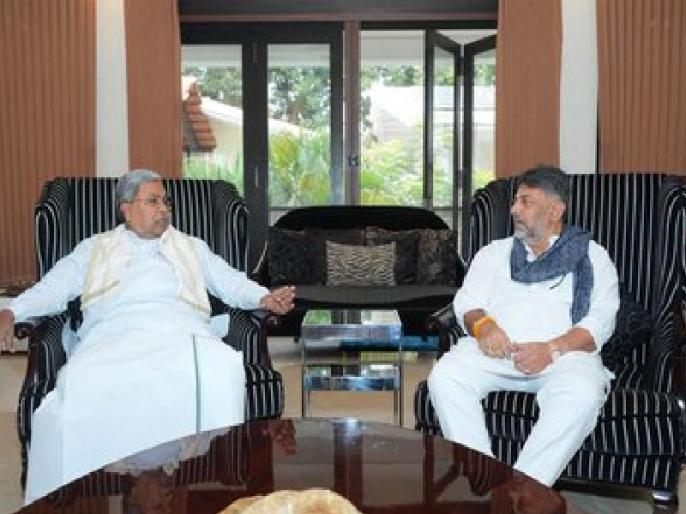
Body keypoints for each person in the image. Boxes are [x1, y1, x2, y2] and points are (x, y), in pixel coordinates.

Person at [0, 169, 296, 503]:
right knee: (82, 380)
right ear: (126, 209)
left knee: (219, 368)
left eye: (165, 201)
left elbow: (230, 281)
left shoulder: (190, 246)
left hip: (182, 331)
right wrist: (13, 310)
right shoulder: (95, 248)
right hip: (113, 333)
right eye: (153, 201)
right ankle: (72, 490)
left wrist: (264, 298)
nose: (164, 209)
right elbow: (53, 288)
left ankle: (211, 463)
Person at [428, 165, 619, 487]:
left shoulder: (593, 256)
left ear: (556, 210)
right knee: (445, 377)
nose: (515, 209)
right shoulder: (494, 253)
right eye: (515, 201)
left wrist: (551, 349)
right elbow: (467, 303)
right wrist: (485, 327)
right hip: (496, 354)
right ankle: (484, 481)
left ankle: (523, 490)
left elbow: (601, 320)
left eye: (526, 202)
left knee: (583, 393)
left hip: (562, 357)